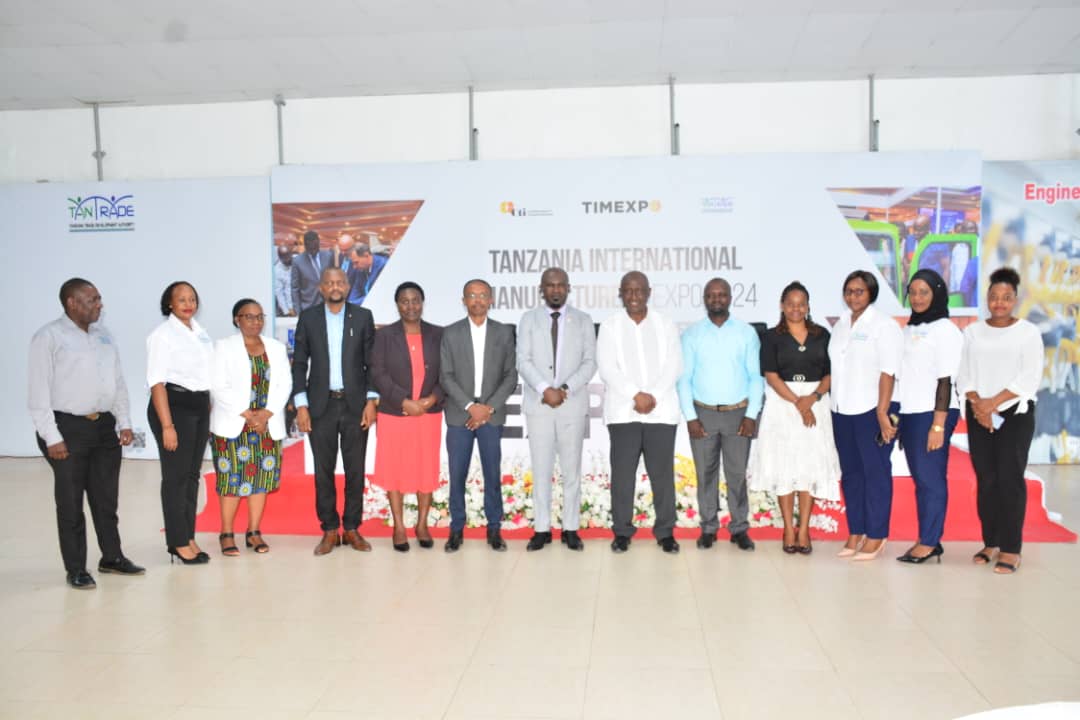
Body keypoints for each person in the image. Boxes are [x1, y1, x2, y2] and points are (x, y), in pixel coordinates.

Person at [28, 278, 144, 589]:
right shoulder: (48, 337)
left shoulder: (103, 335)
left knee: (106, 499)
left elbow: (117, 382)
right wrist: (52, 437)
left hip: (104, 426)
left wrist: (124, 421)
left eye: (99, 299)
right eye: (93, 299)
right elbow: (38, 393)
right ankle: (76, 568)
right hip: (67, 428)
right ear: (72, 303)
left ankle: (112, 557)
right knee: (70, 503)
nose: (99, 305)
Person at [958, 267, 1044, 574]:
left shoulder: (1028, 332)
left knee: (1010, 479)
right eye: (994, 296)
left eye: (1006, 297)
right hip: (979, 411)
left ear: (1015, 300)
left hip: (1014, 413)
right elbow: (963, 374)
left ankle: (1010, 548)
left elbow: (1029, 377)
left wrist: (992, 404)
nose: (999, 303)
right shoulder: (972, 332)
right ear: (987, 299)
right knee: (987, 480)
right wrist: (980, 406)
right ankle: (991, 542)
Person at [748, 281, 840, 554]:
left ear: (808, 306)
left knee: (809, 466)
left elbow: (830, 373)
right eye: (790, 304)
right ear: (782, 306)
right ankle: (788, 528)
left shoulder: (822, 334)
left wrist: (813, 398)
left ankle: (804, 529)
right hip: (783, 404)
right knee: (784, 466)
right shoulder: (771, 337)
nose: (796, 309)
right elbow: (771, 375)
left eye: (801, 304)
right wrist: (799, 402)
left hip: (815, 403)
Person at [292, 267, 378, 555]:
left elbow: (372, 363)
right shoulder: (309, 318)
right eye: (329, 283)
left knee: (355, 470)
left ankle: (352, 528)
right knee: (323, 471)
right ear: (321, 288)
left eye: (340, 282)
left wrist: (371, 401)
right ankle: (329, 529)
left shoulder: (362, 317)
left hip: (355, 406)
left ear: (348, 285)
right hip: (321, 406)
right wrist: (301, 404)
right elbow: (299, 363)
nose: (335, 286)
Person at [598, 272, 683, 554]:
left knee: (662, 476)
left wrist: (652, 396)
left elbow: (674, 365)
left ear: (649, 292)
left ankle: (665, 532)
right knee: (623, 477)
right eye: (628, 291)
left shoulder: (665, 324)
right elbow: (607, 368)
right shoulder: (610, 326)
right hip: (624, 413)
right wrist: (636, 395)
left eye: (639, 290)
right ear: (621, 293)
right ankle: (622, 532)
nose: (634, 296)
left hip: (661, 412)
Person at [676, 278, 762, 552]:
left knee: (736, 474)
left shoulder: (746, 333)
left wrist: (751, 414)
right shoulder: (691, 335)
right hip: (703, 413)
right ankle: (709, 528)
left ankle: (739, 529)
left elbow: (755, 377)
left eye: (721, 294)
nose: (716, 299)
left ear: (729, 298)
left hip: (738, 414)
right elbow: (684, 379)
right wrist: (691, 417)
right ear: (705, 299)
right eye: (711, 295)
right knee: (706, 473)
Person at [517, 268, 597, 552]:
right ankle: (541, 529)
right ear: (542, 289)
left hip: (570, 405)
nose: (555, 290)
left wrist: (564, 389)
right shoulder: (528, 319)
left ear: (568, 288)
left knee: (571, 471)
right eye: (550, 285)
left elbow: (590, 362)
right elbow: (522, 361)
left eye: (560, 285)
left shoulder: (583, 320)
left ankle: (570, 528)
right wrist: (544, 389)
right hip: (539, 406)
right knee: (541, 470)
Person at [439, 278, 518, 552]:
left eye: (483, 295)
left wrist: (487, 408)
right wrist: (469, 406)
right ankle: (456, 528)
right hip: (459, 415)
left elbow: (510, 376)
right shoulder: (450, 333)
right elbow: (446, 376)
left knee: (492, 473)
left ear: (491, 300)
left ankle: (494, 527)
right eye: (472, 295)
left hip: (490, 416)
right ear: (464, 301)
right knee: (457, 474)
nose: (478, 300)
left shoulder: (504, 333)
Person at [829, 270, 903, 561]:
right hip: (841, 409)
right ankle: (856, 530)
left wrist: (883, 412)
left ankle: (876, 534)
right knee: (851, 474)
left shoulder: (884, 326)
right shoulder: (841, 324)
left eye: (859, 291)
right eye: (849, 291)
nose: (853, 296)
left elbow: (888, 371)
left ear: (871, 293)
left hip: (873, 410)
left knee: (876, 473)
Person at [209, 299, 291, 556]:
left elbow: (285, 384)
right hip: (234, 424)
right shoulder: (223, 347)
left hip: (266, 425)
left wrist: (265, 414)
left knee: (261, 480)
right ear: (237, 319)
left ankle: (254, 532)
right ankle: (226, 534)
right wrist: (247, 415)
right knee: (231, 480)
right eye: (249, 316)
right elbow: (217, 384)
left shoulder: (276, 348)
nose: (256, 321)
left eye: (259, 316)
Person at [371, 282, 445, 552]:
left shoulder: (439, 334)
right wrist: (403, 401)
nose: (410, 306)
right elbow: (377, 373)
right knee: (394, 469)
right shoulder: (384, 336)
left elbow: (447, 372)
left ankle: (422, 524)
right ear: (397, 304)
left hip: (428, 413)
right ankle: (399, 527)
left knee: (426, 468)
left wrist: (431, 399)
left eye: (415, 300)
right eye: (405, 301)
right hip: (394, 413)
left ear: (422, 303)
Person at [896, 269, 963, 564]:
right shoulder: (909, 329)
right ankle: (927, 537)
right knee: (922, 479)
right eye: (913, 292)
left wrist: (938, 425)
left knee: (930, 478)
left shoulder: (945, 329)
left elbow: (946, 379)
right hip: (912, 412)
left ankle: (930, 541)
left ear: (936, 293)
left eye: (924, 292)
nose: (917, 298)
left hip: (934, 412)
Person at [147, 281, 214, 565]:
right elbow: (157, 383)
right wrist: (167, 426)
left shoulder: (199, 332)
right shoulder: (162, 336)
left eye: (192, 299)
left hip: (198, 405)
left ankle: (188, 535)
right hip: (174, 407)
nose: (188, 304)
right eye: (182, 299)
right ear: (170, 304)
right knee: (175, 478)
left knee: (191, 476)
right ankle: (177, 542)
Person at [291, 230, 333, 313]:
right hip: (308, 306)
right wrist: (298, 311)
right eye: (310, 248)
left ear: (318, 243)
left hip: (328, 305)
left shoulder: (328, 256)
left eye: (315, 247)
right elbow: (295, 288)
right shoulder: (297, 261)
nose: (313, 250)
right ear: (305, 245)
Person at [274, 245, 296, 317]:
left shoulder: (298, 261)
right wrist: (287, 310)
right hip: (290, 306)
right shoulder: (277, 271)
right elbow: (279, 293)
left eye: (289, 257)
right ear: (280, 258)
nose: (288, 260)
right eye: (285, 258)